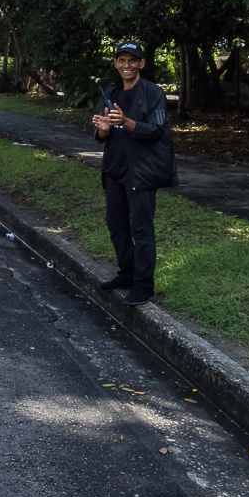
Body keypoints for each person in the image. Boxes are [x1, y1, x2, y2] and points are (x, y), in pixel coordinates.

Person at [91, 41, 178, 306]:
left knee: (141, 230)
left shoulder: (153, 93)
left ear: (141, 63)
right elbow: (101, 134)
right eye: (121, 60)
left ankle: (144, 285)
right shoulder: (111, 93)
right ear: (116, 63)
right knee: (117, 227)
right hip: (115, 171)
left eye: (132, 60)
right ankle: (126, 275)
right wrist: (103, 129)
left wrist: (128, 123)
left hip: (141, 173)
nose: (126, 65)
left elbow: (157, 131)